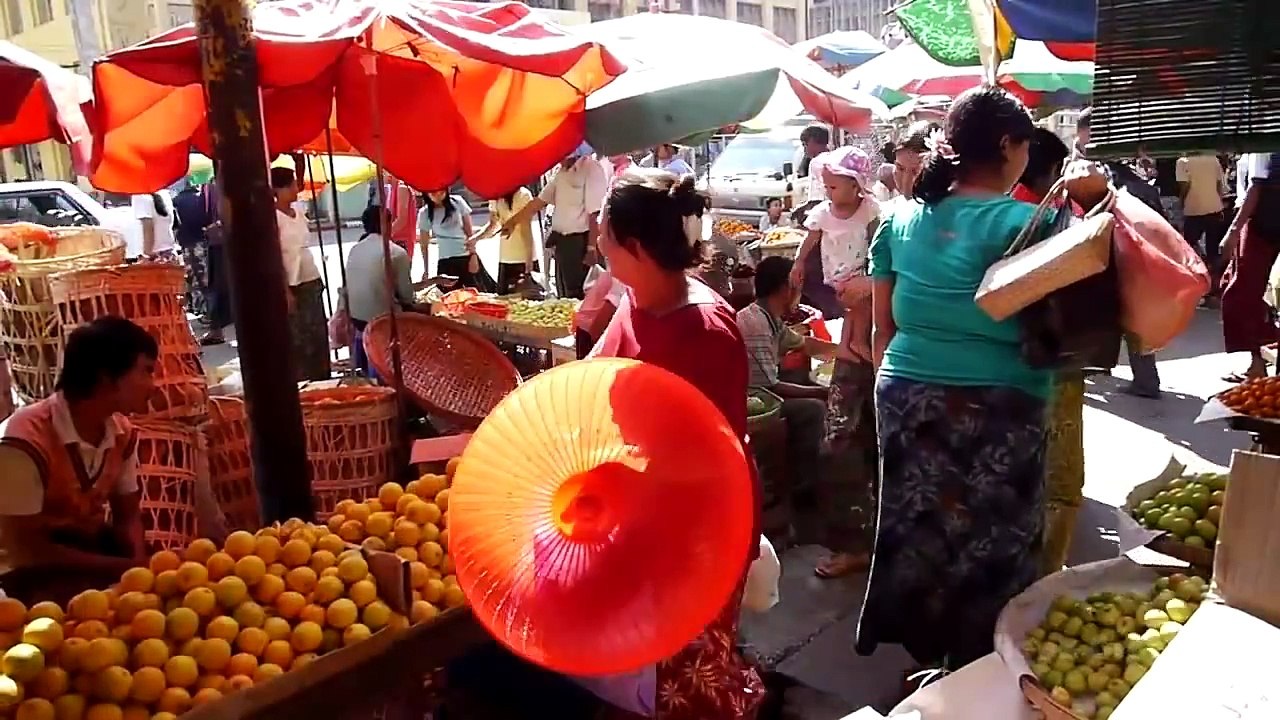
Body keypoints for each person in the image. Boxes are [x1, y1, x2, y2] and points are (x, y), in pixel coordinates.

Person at [858, 86, 1109, 673]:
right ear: (1006, 145)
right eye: (1025, 146)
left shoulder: (899, 218)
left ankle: (930, 659)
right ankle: (975, 668)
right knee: (995, 542)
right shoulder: (1037, 225)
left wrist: (891, 392)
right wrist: (1095, 200)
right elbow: (1086, 314)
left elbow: (880, 330)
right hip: (1002, 401)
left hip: (906, 395)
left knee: (920, 531)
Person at [591, 168, 764, 719]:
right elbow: (595, 374)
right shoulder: (635, 298)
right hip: (644, 511)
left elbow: (706, 460)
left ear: (636, 248)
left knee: (688, 678)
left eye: (605, 233)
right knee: (656, 663)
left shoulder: (704, 331)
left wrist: (621, 482)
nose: (598, 243)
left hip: (701, 526)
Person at [0, 317, 156, 597]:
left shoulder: (121, 432)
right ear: (107, 379)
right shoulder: (23, 441)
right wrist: (124, 568)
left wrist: (138, 569)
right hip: (24, 571)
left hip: (83, 549)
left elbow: (128, 515)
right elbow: (25, 549)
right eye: (146, 371)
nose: (152, 384)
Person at [790, 147, 882, 579]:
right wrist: (798, 266)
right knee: (842, 445)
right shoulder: (830, 216)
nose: (829, 191)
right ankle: (855, 542)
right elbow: (810, 244)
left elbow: (883, 267)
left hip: (887, 347)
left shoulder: (878, 216)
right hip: (862, 342)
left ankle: (875, 540)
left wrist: (873, 283)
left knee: (875, 447)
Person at [1013, 128, 1085, 576]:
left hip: (1009, 365)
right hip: (1053, 362)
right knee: (1060, 478)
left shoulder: (1001, 210)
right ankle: (1045, 575)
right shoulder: (1045, 217)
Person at [736, 256, 835, 537]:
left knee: (805, 386)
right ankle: (802, 491)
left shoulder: (770, 319)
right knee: (814, 409)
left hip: (764, 392)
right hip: (753, 402)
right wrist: (823, 391)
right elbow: (771, 387)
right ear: (784, 288)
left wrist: (845, 352)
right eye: (795, 284)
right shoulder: (755, 324)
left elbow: (804, 344)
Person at [1074, 107, 1162, 398]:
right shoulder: (1125, 170)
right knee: (1130, 314)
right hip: (1132, 253)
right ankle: (1139, 376)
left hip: (1115, 252)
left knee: (1118, 312)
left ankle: (1141, 379)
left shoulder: (1103, 172)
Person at [501, 145, 609, 299]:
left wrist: (591, 248)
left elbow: (595, 213)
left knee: (581, 292)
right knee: (564, 292)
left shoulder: (591, 169)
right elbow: (539, 201)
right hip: (563, 243)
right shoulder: (561, 173)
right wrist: (513, 222)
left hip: (581, 242)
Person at [1220, 152, 1280, 381]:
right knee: (1246, 292)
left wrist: (1233, 231)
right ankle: (1259, 359)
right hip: (1262, 222)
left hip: (1260, 224)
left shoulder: (1261, 144)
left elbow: (1256, 186)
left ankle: (1257, 361)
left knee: (1241, 293)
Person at [271, 166, 330, 382]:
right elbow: (275, 256)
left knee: (318, 332)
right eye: (291, 185)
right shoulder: (273, 218)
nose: (296, 189)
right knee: (298, 336)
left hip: (310, 276)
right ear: (279, 189)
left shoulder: (299, 210)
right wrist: (285, 291)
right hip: (291, 282)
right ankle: (304, 381)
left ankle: (322, 378)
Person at [341, 206, 415, 378]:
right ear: (386, 224)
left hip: (356, 317)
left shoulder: (355, 248)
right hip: (381, 320)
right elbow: (407, 296)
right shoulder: (395, 252)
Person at [418, 188, 494, 292]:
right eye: (433, 192)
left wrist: (473, 255)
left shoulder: (458, 202)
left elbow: (469, 233)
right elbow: (424, 244)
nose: (438, 194)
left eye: (441, 190)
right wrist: (426, 270)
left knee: (477, 293)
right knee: (450, 297)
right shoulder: (425, 213)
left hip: (465, 256)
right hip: (446, 261)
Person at [473, 186, 537, 295]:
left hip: (523, 258)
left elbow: (526, 230)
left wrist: (529, 266)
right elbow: (493, 225)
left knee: (528, 301)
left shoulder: (522, 195)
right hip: (505, 258)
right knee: (504, 300)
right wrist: (475, 238)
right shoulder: (495, 197)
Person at [1177, 151, 1227, 287]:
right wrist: (1220, 203)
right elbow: (1219, 184)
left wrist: (1181, 202)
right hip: (1214, 207)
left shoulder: (1183, 162)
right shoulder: (1213, 159)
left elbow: (1184, 186)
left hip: (1193, 208)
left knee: (1188, 247)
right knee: (1213, 249)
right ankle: (1215, 283)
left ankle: (1193, 281)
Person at [795, 125, 832, 209]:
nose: (804, 150)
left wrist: (803, 209)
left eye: (805, 145)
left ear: (812, 142)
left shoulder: (816, 162)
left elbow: (817, 197)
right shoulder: (833, 158)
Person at [132, 190, 176, 259]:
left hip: (154, 255)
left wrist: (147, 253)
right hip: (168, 251)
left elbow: (148, 226)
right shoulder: (164, 193)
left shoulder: (140, 196)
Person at [387, 176, 419, 261]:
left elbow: (402, 219)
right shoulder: (393, 188)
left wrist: (384, 236)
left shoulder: (402, 188)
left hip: (402, 241)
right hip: (398, 240)